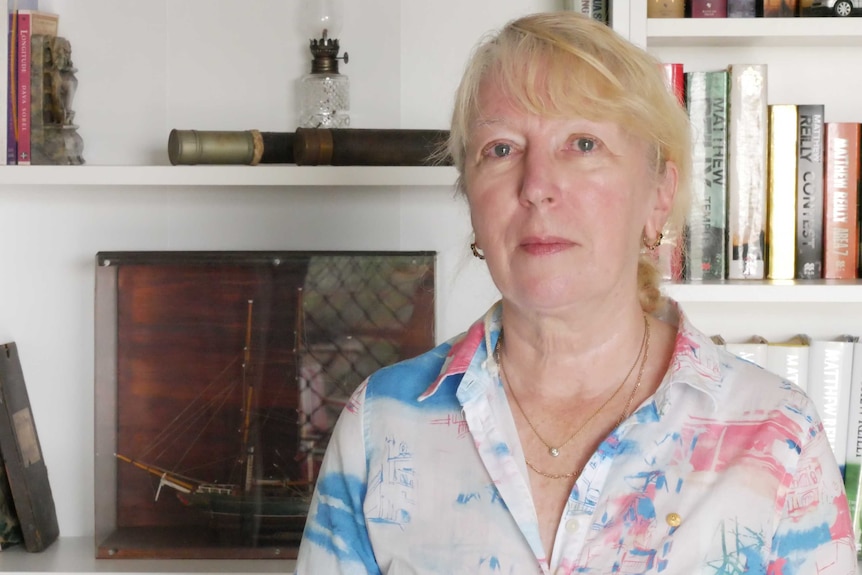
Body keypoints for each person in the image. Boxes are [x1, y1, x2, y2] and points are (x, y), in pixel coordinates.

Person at [295, 11, 856, 574]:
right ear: (471, 197)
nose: (537, 186)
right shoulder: (382, 425)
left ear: (660, 193)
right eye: (501, 149)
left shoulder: (778, 434)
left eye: (583, 143)